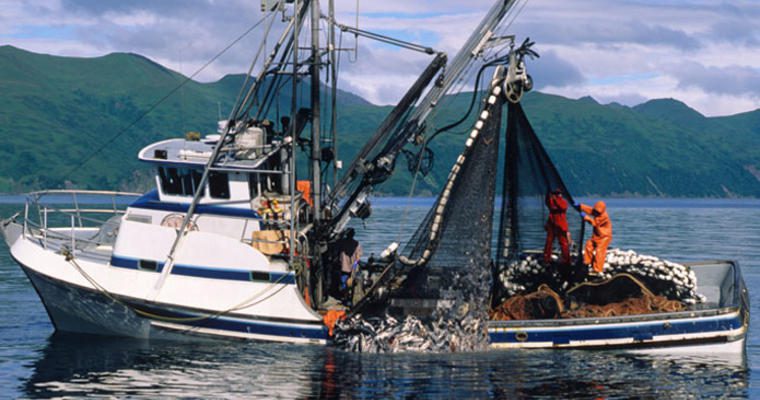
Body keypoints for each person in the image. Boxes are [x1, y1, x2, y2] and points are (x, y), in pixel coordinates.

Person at [578, 201, 613, 274]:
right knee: (588, 245)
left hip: (604, 237)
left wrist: (586, 217)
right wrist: (581, 206)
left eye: (598, 211)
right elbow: (590, 210)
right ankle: (587, 262)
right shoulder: (596, 212)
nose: (596, 212)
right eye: (596, 210)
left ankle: (597, 270)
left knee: (599, 252)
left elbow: (594, 223)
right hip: (596, 235)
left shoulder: (604, 216)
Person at [543, 189, 570, 265]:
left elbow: (563, 207)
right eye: (556, 193)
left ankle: (566, 259)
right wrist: (549, 195)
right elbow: (548, 203)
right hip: (552, 224)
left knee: (563, 243)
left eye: (559, 193)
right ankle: (547, 258)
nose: (558, 195)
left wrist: (555, 199)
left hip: (561, 226)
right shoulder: (551, 202)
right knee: (549, 241)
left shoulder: (563, 202)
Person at [336, 228, 362, 301]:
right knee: (352, 282)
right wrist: (355, 265)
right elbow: (358, 256)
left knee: (344, 281)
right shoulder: (356, 243)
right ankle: (350, 296)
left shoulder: (342, 242)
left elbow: (336, 250)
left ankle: (345, 295)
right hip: (353, 266)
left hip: (344, 266)